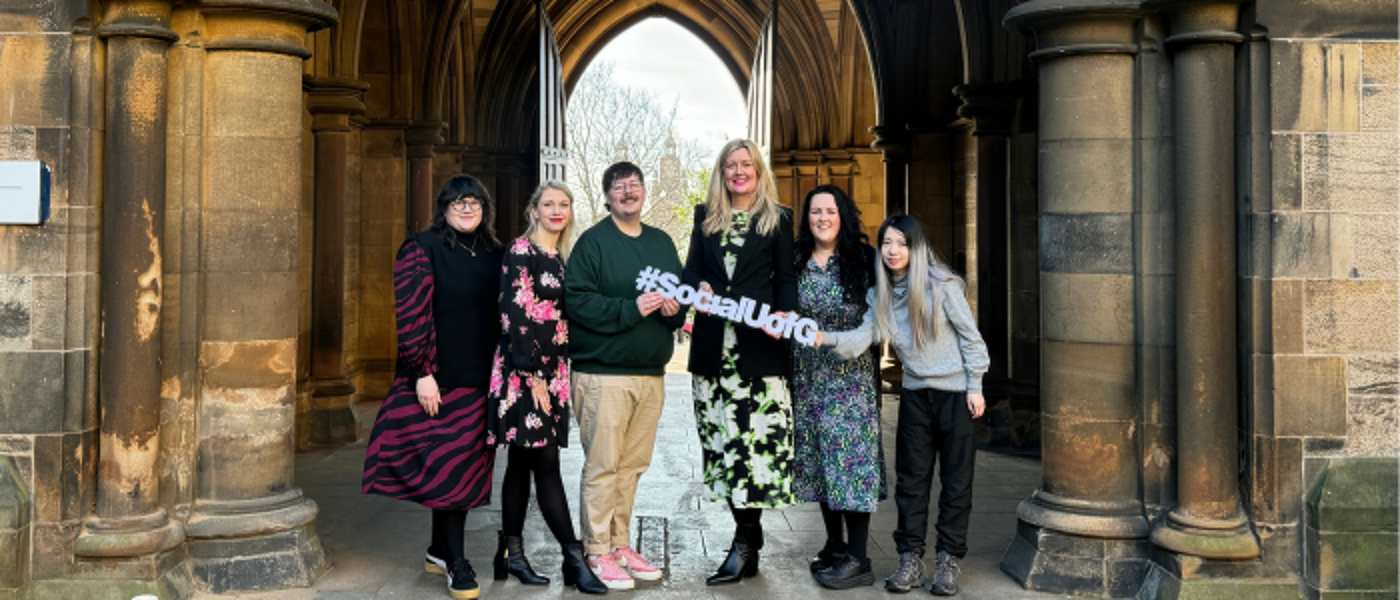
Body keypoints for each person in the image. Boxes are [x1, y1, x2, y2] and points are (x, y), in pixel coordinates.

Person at [813, 215, 990, 596]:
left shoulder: (943, 286)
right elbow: (864, 337)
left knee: (956, 483)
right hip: (914, 395)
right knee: (911, 482)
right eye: (887, 243)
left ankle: (947, 562)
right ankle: (910, 560)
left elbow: (971, 339)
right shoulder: (881, 296)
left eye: (902, 243)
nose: (893, 251)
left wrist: (975, 385)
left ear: (916, 247)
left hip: (956, 394)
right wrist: (823, 337)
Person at [362, 174, 504, 600]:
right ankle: (457, 564)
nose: (466, 209)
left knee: (460, 472)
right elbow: (410, 314)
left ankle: (439, 549)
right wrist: (421, 370)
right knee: (452, 475)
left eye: (474, 202)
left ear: (485, 210)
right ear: (443, 207)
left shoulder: (495, 254)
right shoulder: (421, 249)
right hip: (440, 383)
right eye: (458, 202)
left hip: (483, 382)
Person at [564, 161, 686, 590]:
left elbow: (678, 303)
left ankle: (620, 544)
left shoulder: (662, 242)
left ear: (644, 191)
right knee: (603, 466)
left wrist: (676, 311)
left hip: (651, 375)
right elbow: (576, 301)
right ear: (607, 195)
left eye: (634, 185)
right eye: (619, 187)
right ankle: (596, 550)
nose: (628, 192)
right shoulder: (593, 243)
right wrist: (631, 308)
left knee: (631, 467)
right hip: (603, 374)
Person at [681, 139, 797, 585]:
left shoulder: (778, 219)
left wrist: (786, 317)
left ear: (758, 169)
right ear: (722, 172)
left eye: (746, 164)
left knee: (758, 453)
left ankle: (745, 542)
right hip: (714, 354)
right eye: (731, 165)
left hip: (759, 352)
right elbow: (690, 272)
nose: (738, 171)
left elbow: (785, 280)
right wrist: (700, 288)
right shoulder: (704, 216)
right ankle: (748, 537)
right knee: (727, 450)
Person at [486, 181, 607, 594]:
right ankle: (573, 557)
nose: (557, 210)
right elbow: (514, 316)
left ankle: (511, 553)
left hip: (552, 373)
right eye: (549, 204)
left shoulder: (561, 256)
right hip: (527, 373)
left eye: (565, 204)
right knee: (547, 465)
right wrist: (534, 376)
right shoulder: (522, 252)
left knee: (521, 465)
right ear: (533, 210)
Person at [790, 185, 885, 590]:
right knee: (819, 462)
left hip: (852, 381)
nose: (822, 218)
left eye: (830, 210)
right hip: (808, 376)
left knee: (851, 465)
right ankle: (834, 545)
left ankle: (859, 559)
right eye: (815, 212)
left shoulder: (865, 260)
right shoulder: (795, 259)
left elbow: (879, 320)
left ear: (843, 215)